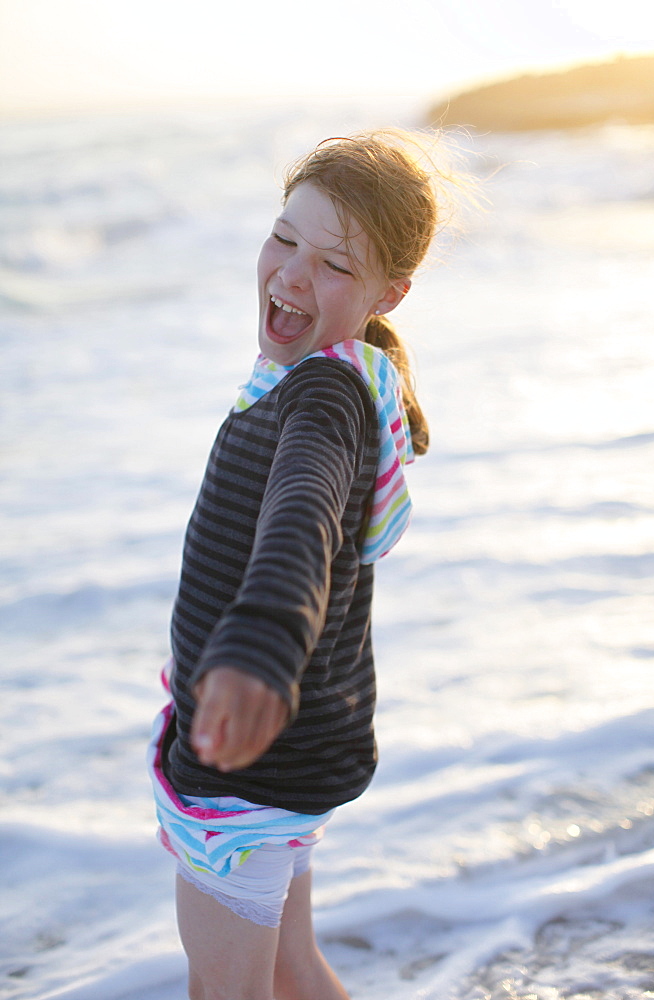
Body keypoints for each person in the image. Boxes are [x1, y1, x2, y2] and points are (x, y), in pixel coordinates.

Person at [148, 129, 459, 1000]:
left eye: (333, 265)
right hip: (294, 756)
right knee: (290, 971)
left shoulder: (325, 396)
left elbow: (303, 524)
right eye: (285, 238)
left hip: (253, 765)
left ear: (389, 293)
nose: (291, 274)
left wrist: (258, 648)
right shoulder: (337, 377)